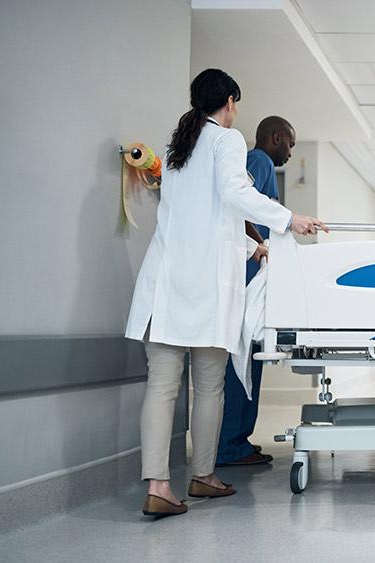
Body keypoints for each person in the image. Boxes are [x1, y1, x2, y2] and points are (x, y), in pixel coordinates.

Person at [124, 69, 326, 518]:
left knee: (161, 386)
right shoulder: (226, 140)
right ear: (230, 101)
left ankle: (158, 484)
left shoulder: (180, 146)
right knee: (210, 386)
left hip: (166, 281)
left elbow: (202, 218)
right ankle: (203, 475)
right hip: (206, 289)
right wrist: (288, 218)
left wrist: (254, 245)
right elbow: (235, 195)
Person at [216, 115, 296, 467]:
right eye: (290, 144)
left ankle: (239, 441)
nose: (291, 153)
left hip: (254, 270)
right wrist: (259, 242)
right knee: (242, 361)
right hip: (247, 272)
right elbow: (238, 203)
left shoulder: (262, 166)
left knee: (250, 359)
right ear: (275, 137)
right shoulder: (259, 161)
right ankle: (231, 445)